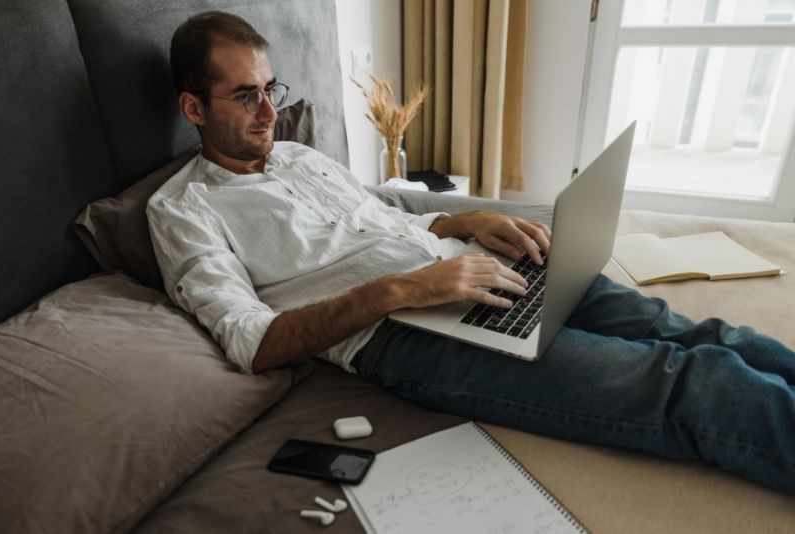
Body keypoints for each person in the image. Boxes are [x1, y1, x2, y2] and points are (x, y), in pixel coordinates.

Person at [148, 10, 795, 495]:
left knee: (693, 331)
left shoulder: (298, 154)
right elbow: (251, 342)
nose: (269, 110)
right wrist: (400, 292)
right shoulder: (182, 210)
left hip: (468, 275)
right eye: (245, 95)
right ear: (192, 107)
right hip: (404, 337)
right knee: (690, 381)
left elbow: (380, 222)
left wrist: (466, 221)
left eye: (271, 88)